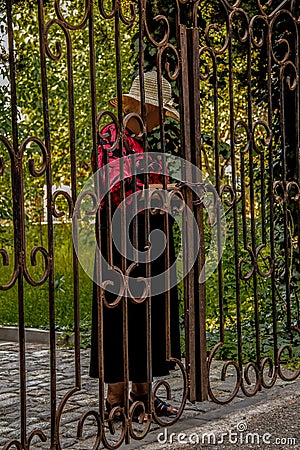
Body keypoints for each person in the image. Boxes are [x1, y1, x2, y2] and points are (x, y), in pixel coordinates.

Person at [89, 71, 181, 420]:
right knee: (119, 310)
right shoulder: (112, 136)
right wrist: (154, 194)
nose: (159, 121)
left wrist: (164, 194)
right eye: (159, 112)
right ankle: (115, 400)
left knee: (148, 311)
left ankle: (142, 396)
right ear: (144, 106)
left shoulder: (143, 141)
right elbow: (113, 186)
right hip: (119, 237)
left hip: (148, 236)